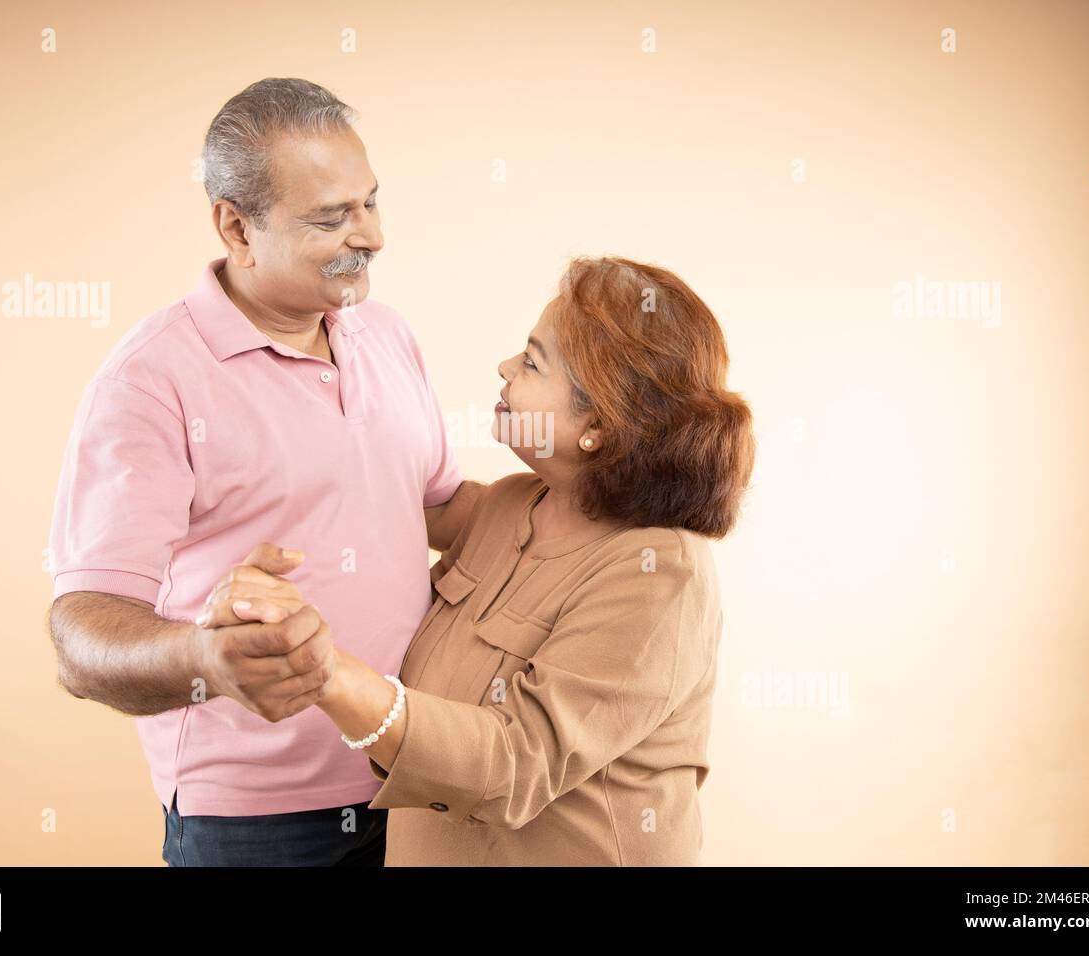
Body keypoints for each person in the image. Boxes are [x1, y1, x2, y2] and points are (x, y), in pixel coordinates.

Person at [46, 77, 484, 866]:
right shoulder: (151, 380)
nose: (373, 235)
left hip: (417, 778)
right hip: (257, 827)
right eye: (332, 217)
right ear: (236, 227)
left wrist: (609, 502)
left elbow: (440, 509)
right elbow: (82, 639)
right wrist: (204, 661)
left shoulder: (384, 332)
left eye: (372, 203)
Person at [204, 255, 756, 865]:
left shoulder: (658, 575)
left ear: (596, 423)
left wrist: (324, 672)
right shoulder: (514, 505)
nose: (504, 368)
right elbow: (383, 499)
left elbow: (512, 763)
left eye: (531, 361)